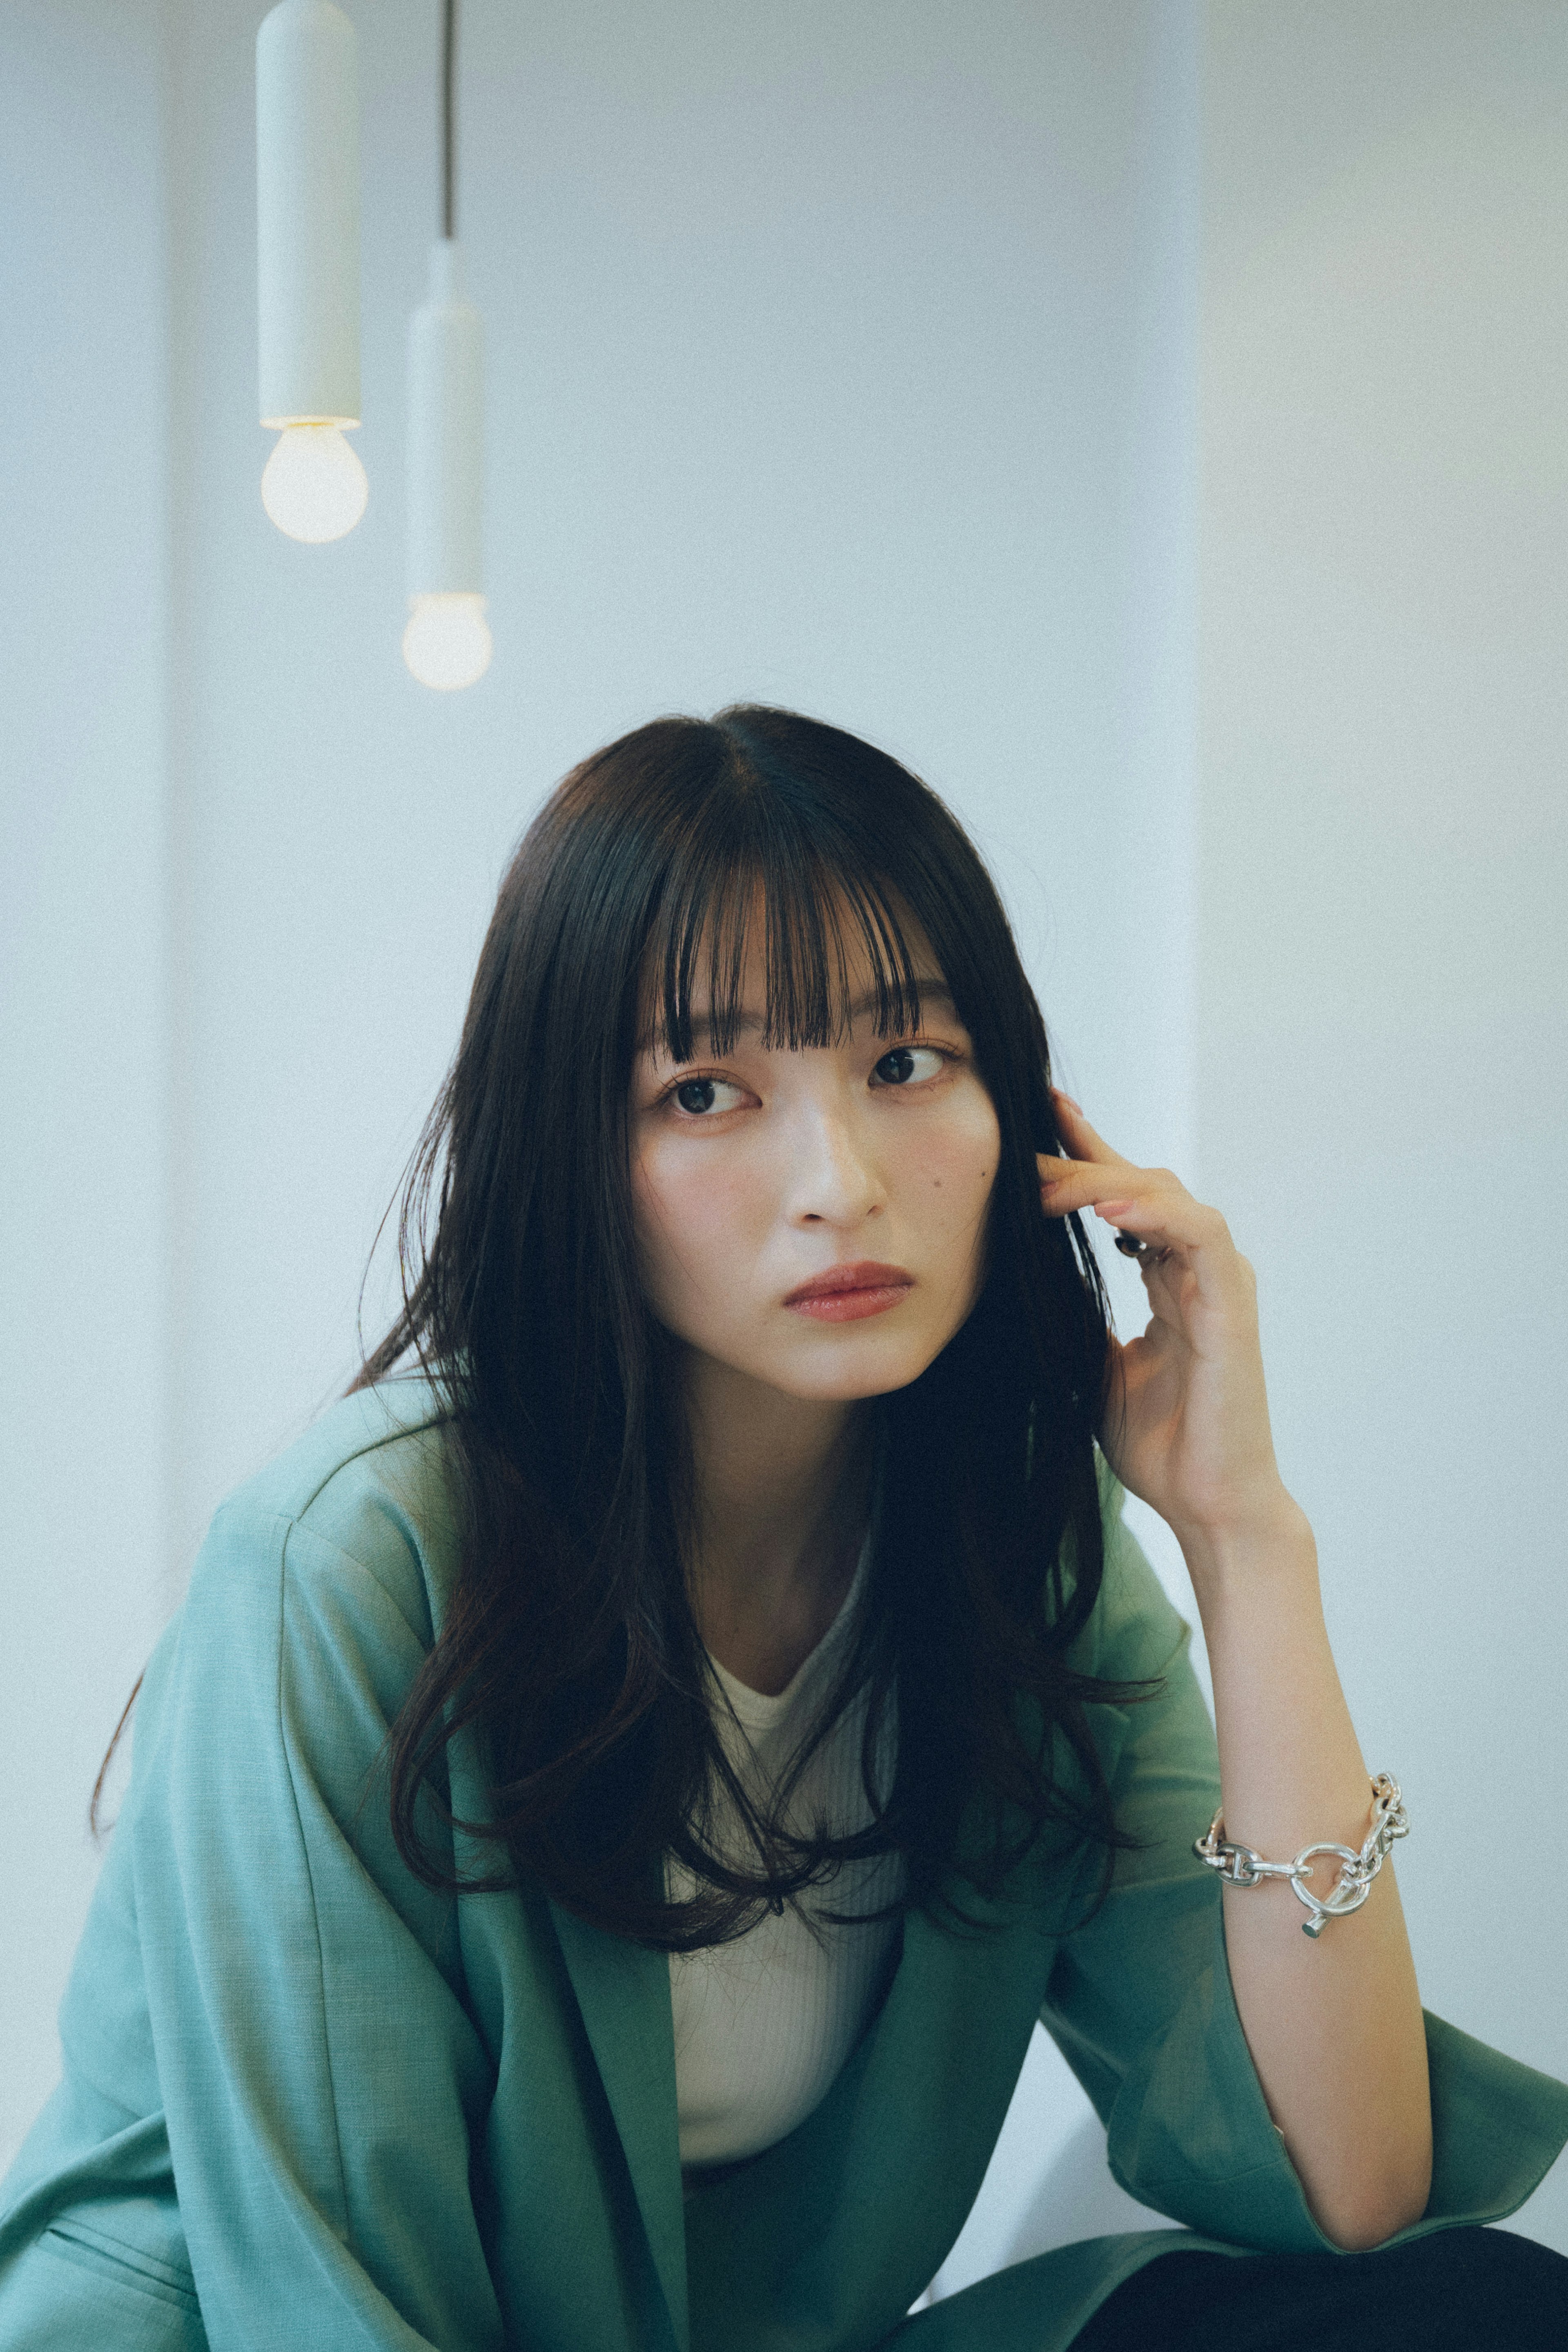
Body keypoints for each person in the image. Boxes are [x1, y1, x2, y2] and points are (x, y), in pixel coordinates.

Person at [1, 706, 1565, 2352]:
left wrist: (1246, 1538)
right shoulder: (347, 1559)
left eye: (906, 1064)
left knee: (1464, 2314)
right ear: (572, 1154)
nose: (840, 1180)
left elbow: (1355, 2181)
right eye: (705, 1090)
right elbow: (332, 2308)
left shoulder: (1014, 1546)